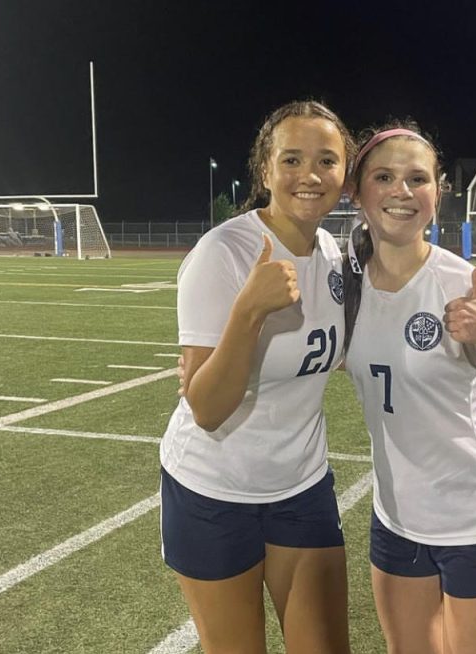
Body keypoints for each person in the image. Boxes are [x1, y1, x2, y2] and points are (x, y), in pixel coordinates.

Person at [342, 122, 476, 654]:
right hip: (396, 519)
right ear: (357, 191)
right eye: (384, 176)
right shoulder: (341, 285)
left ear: (438, 192)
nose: (401, 191)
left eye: (418, 178)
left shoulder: (463, 284)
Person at [160, 100, 354, 654]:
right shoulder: (223, 252)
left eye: (326, 160)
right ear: (265, 170)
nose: (310, 175)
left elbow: (333, 351)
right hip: (213, 489)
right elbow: (207, 407)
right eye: (291, 159)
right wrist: (248, 312)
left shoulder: (332, 252)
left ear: (345, 174)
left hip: (301, 485)